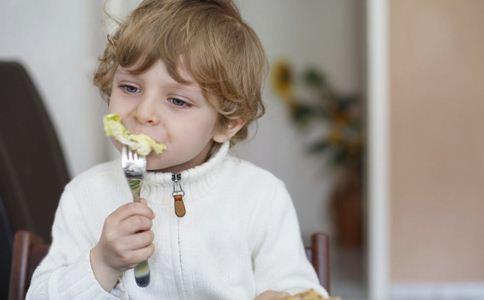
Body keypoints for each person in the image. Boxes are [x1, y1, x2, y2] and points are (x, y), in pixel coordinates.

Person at [27, 0, 328, 299]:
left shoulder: (262, 197)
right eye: (130, 88)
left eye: (178, 101)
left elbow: (301, 291)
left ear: (227, 124)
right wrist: (102, 264)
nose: (143, 112)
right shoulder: (85, 196)